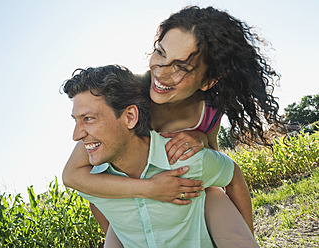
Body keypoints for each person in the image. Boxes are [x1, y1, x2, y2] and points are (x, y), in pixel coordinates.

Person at [62, 5, 283, 246]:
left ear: (209, 81)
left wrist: (243, 235)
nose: (161, 73)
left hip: (188, 194)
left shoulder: (207, 112)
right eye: (160, 53)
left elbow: (219, 168)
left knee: (211, 194)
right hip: (134, 196)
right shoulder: (134, 95)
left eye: (181, 67)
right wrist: (148, 190)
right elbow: (74, 175)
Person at [62, 64, 258, 247]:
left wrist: (247, 237)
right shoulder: (90, 183)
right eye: (77, 120)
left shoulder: (185, 159)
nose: (76, 135)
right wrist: (148, 190)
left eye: (89, 119)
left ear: (130, 117)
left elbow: (233, 176)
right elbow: (88, 193)